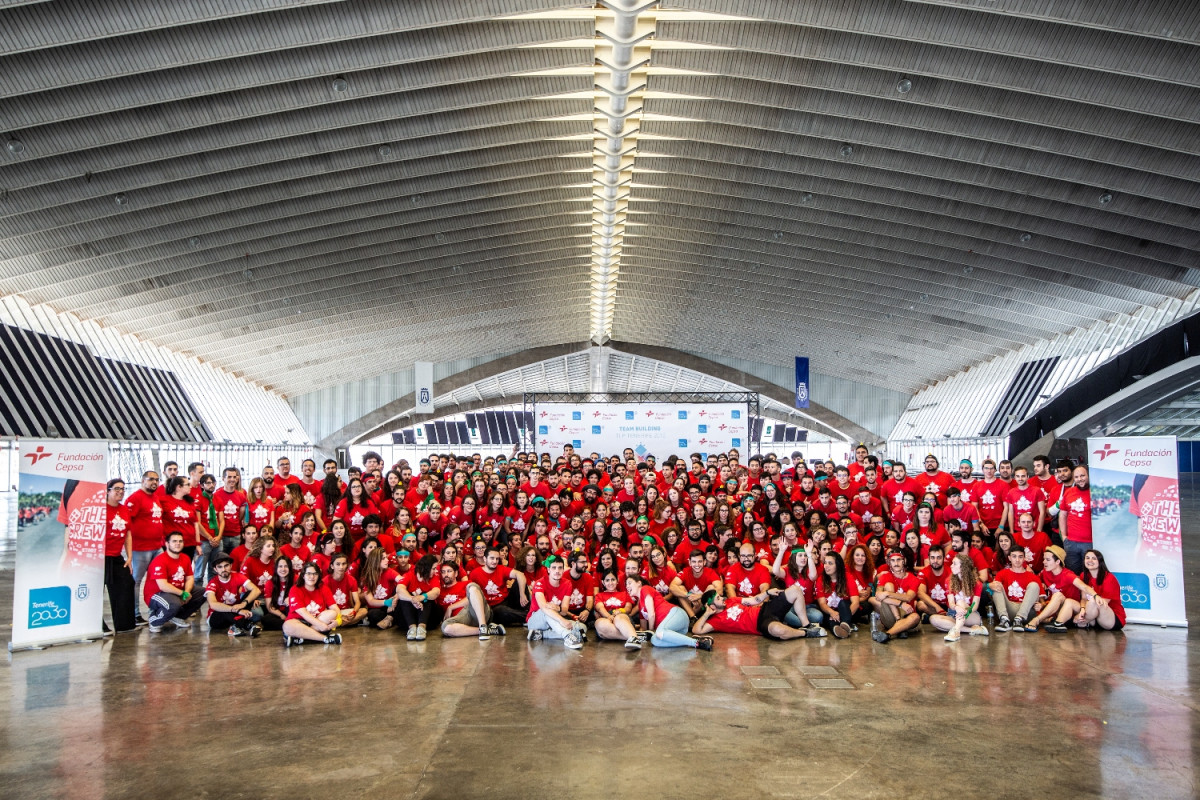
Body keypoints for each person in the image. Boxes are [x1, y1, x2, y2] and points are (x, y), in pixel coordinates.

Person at [693, 586, 825, 641]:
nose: (722, 598)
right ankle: (806, 633)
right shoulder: (715, 621)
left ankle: (807, 625)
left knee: (795, 590)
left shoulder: (731, 600)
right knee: (777, 629)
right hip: (761, 624)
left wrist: (767, 593)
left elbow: (752, 600)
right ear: (711, 606)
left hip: (765, 609)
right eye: (718, 598)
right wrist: (706, 614)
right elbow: (696, 630)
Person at [628, 573, 713, 650]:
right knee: (655, 641)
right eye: (626, 585)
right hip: (672, 630)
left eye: (629, 583)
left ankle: (697, 643)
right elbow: (644, 629)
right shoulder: (640, 605)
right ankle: (697, 640)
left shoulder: (645, 589)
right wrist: (630, 630)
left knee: (659, 632)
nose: (627, 586)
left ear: (639, 583)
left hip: (676, 614)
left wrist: (652, 631)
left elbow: (651, 615)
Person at [144, 531, 205, 633]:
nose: (178, 543)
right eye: (174, 541)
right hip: (157, 594)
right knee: (173, 604)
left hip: (177, 591)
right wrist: (182, 593)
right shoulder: (160, 560)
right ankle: (154, 620)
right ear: (167, 544)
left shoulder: (185, 558)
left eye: (180, 541)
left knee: (203, 593)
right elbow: (163, 586)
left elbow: (189, 578)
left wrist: (187, 592)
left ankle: (178, 617)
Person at [525, 555, 585, 649]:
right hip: (536, 620)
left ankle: (543, 634)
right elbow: (543, 607)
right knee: (547, 610)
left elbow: (564, 611)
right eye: (554, 568)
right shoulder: (539, 583)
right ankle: (567, 636)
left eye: (560, 568)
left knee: (581, 628)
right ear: (548, 569)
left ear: (563, 569)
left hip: (555, 620)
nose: (557, 571)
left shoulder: (567, 583)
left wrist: (559, 608)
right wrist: (562, 620)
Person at [102, 478, 137, 633]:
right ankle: (98, 625)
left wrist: (129, 557)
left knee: (126, 584)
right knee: (97, 592)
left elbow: (128, 533)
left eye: (123, 489)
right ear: (107, 490)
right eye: (116, 489)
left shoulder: (124, 510)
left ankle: (124, 625)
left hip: (116, 556)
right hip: (100, 557)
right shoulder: (100, 509)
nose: (120, 492)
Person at [436, 562, 504, 640]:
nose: (446, 574)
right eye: (443, 572)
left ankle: (483, 625)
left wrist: (450, 607)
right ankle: (486, 630)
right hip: (461, 619)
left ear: (456, 573)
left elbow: (474, 599)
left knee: (472, 587)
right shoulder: (440, 592)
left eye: (449, 571)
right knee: (445, 627)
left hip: (474, 612)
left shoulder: (466, 584)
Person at [929, 553, 989, 641]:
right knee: (933, 619)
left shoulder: (977, 583)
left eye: (954, 563)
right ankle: (972, 630)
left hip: (970, 615)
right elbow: (951, 603)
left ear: (963, 567)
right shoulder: (949, 581)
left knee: (961, 602)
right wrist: (957, 607)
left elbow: (974, 606)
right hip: (954, 614)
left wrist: (965, 611)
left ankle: (956, 631)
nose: (951, 566)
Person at [283, 561, 344, 646]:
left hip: (318, 619)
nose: (312, 577)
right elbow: (303, 613)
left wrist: (338, 621)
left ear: (318, 576)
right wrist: (320, 625)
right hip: (299, 621)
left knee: (332, 613)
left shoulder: (323, 588)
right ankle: (325, 639)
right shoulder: (295, 589)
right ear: (303, 575)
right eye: (309, 574)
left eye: (315, 574)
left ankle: (301, 638)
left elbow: (334, 607)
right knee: (287, 626)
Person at [870, 550, 923, 644]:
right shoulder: (885, 576)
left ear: (904, 561)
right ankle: (898, 621)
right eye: (893, 561)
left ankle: (887, 634)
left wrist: (887, 594)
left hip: (907, 615)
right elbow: (878, 596)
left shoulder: (913, 578)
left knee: (915, 617)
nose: (896, 563)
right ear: (889, 563)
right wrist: (901, 604)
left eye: (899, 560)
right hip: (890, 615)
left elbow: (908, 597)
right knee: (888, 586)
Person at [1023, 545, 1080, 632]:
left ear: (1057, 562)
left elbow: (1084, 587)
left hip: (1070, 611)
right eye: (1044, 559)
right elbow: (1035, 581)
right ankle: (1050, 621)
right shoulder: (1045, 572)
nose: (1044, 562)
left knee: (1058, 595)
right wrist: (1042, 602)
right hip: (1054, 610)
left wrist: (1095, 596)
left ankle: (1037, 620)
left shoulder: (1069, 575)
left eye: (1048, 560)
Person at [203, 552, 262, 637]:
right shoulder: (212, 583)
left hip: (235, 612)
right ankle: (249, 625)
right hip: (217, 618)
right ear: (215, 569)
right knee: (222, 607)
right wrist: (237, 610)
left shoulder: (237, 576)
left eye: (226, 565)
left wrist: (243, 603)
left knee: (249, 594)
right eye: (220, 567)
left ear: (231, 566)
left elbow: (256, 590)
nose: (223, 569)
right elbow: (213, 604)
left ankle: (235, 627)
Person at [989, 548, 1042, 632]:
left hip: (1026, 610)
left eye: (1020, 557)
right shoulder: (1002, 573)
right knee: (996, 585)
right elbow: (992, 592)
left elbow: (1042, 601)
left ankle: (1019, 619)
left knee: (1034, 585)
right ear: (1009, 558)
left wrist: (1041, 605)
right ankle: (1004, 620)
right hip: (1009, 608)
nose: (1017, 560)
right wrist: (990, 585)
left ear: (1024, 558)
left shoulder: (1033, 577)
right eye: (1014, 557)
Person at [1071, 549, 1126, 631]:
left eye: (1094, 558)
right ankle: (1082, 621)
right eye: (1087, 558)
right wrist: (1082, 609)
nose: (1090, 560)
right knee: (1069, 602)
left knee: (1094, 600)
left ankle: (1080, 622)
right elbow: (1084, 598)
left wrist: (1080, 614)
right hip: (1094, 615)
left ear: (1100, 561)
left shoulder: (1109, 578)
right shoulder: (1083, 576)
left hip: (1111, 618)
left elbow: (1102, 603)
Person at [592, 570, 642, 649]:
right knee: (599, 623)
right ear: (603, 582)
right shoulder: (599, 595)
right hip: (606, 617)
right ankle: (633, 636)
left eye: (613, 579)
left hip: (622, 616)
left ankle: (632, 636)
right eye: (607, 580)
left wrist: (620, 611)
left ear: (617, 581)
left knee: (619, 618)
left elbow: (628, 608)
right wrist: (609, 616)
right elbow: (600, 608)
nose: (610, 583)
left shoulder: (624, 594)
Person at [397, 554, 440, 640]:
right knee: (405, 596)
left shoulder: (434, 578)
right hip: (409, 616)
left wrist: (422, 597)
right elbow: (399, 589)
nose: (435, 571)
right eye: (433, 568)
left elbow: (436, 592)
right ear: (426, 568)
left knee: (427, 595)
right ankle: (412, 628)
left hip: (429, 618)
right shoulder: (409, 575)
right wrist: (412, 599)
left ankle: (421, 627)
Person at [1058, 465, 1093, 574]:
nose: (1080, 479)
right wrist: (1064, 536)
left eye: (1082, 475)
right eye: (1077, 477)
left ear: (1088, 475)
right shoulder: (1069, 492)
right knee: (1072, 575)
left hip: (1090, 542)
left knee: (1090, 574)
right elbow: (1062, 515)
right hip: (1071, 542)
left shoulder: (1095, 493)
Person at [669, 550, 723, 618]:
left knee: (711, 587)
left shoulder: (710, 572)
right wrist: (688, 595)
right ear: (690, 562)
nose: (697, 565)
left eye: (700, 561)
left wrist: (700, 596)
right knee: (680, 588)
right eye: (694, 562)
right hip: (688, 602)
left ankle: (690, 617)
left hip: (702, 604)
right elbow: (672, 587)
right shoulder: (685, 571)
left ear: (704, 562)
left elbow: (720, 591)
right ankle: (693, 617)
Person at [814, 552, 856, 639]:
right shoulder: (820, 580)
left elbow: (855, 602)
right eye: (825, 562)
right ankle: (838, 630)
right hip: (830, 611)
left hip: (847, 611)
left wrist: (844, 616)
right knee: (830, 618)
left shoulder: (847, 577)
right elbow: (822, 604)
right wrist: (832, 612)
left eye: (830, 563)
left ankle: (846, 624)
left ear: (838, 565)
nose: (826, 566)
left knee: (843, 603)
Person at [326, 552, 368, 627]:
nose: (341, 567)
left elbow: (357, 602)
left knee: (364, 611)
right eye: (338, 564)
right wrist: (338, 615)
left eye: (343, 564)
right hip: (333, 612)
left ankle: (339, 624)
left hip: (347, 611)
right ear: (332, 566)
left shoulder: (351, 579)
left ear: (347, 565)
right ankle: (344, 623)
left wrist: (354, 612)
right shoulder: (325, 581)